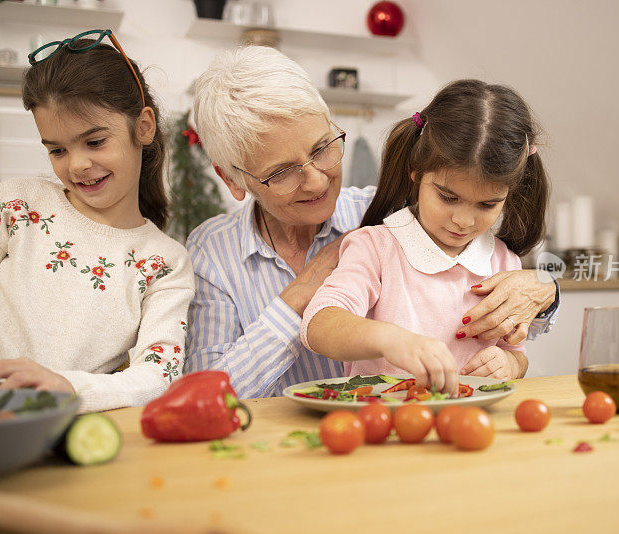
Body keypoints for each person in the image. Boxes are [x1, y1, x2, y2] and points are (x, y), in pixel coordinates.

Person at [185, 46, 559, 399]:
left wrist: (545, 289)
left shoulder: (398, 210)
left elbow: (519, 335)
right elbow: (205, 396)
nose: (317, 180)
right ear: (232, 179)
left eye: (322, 148)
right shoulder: (215, 252)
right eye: (281, 172)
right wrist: (298, 298)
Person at [0, 30, 194, 413]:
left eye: (95, 142)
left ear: (144, 127)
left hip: (61, 427)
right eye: (57, 150)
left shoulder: (165, 263)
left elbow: (158, 375)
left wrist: (66, 388)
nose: (77, 165)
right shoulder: (15, 204)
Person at [301, 81, 549, 396]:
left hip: (469, 427)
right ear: (416, 171)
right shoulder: (376, 247)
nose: (464, 220)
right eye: (448, 197)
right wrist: (391, 340)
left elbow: (517, 353)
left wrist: (509, 365)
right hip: (388, 423)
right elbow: (319, 324)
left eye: (487, 205)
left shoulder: (504, 261)